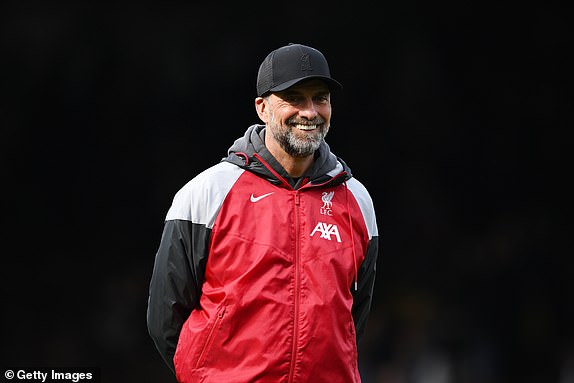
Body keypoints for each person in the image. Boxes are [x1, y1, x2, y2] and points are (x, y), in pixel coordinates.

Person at [147, 43, 380, 383]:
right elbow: (164, 321)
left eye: (320, 98)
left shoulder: (357, 201)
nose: (310, 111)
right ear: (262, 108)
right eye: (295, 98)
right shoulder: (208, 193)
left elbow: (351, 320)